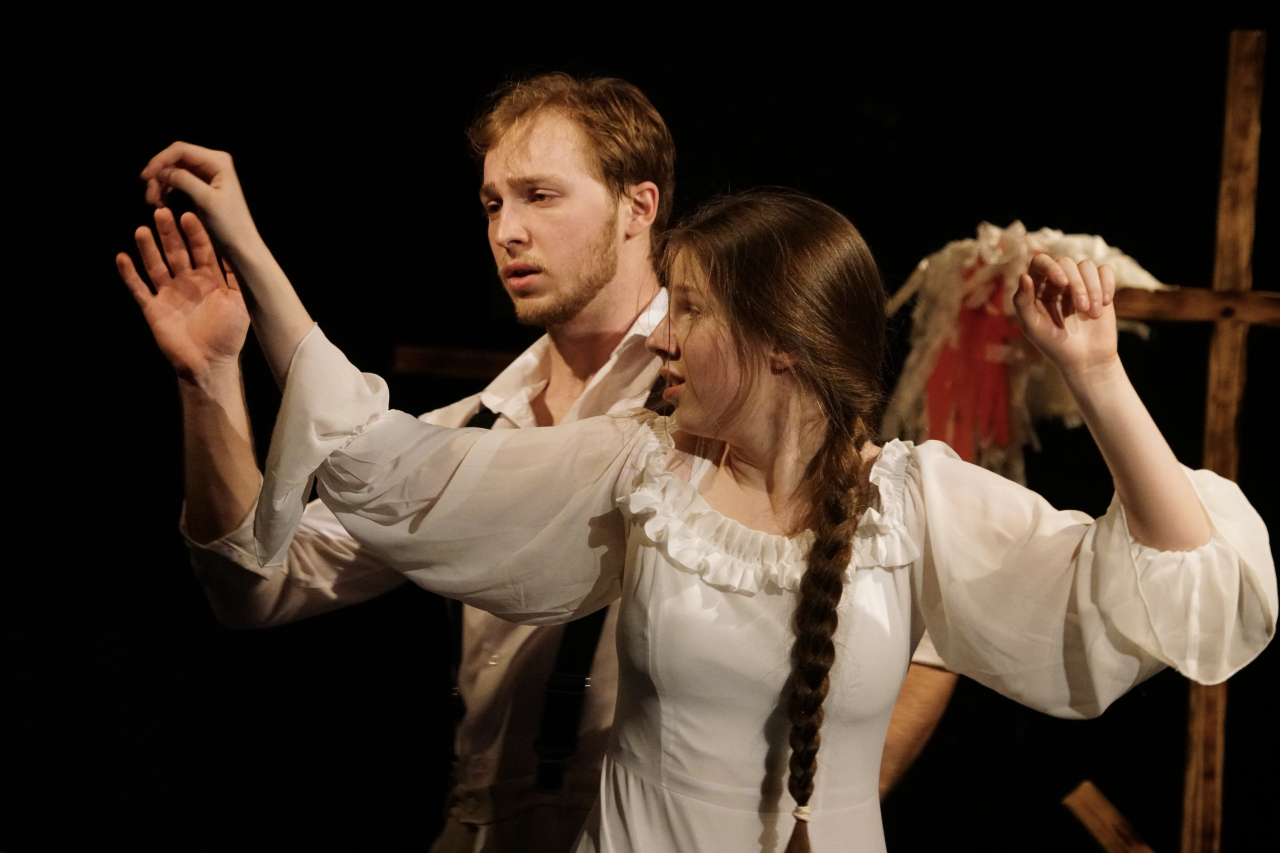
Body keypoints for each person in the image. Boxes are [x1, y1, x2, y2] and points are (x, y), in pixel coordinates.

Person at [120, 183, 1274, 852]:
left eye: (693, 310)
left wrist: (1095, 373)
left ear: (780, 346)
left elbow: (1180, 579)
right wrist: (254, 263)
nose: (661, 335)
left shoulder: (913, 502)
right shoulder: (639, 473)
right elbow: (395, 465)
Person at [118, 75, 953, 851]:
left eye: (540, 195)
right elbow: (257, 585)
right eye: (491, 203)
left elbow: (923, 626)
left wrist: (816, 812)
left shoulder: (725, 400)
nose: (505, 231)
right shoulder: (477, 423)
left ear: (638, 206)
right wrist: (209, 379)